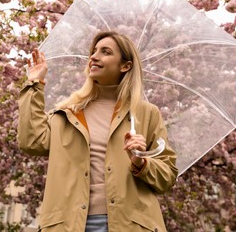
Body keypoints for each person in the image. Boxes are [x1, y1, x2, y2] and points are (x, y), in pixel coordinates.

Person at [17, 31, 178, 232]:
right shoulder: (68, 112)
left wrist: (141, 162)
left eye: (105, 52)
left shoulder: (145, 113)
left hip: (129, 224)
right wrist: (35, 84)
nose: (94, 56)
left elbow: (167, 176)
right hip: (69, 224)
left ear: (125, 66)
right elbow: (31, 141)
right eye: (94, 51)